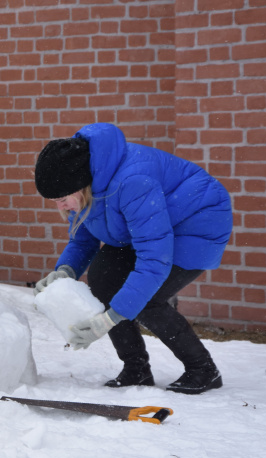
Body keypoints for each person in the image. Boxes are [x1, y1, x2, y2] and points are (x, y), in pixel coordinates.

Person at [33, 123, 232, 395]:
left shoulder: (131, 182)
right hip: (151, 225)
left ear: (82, 185)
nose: (61, 207)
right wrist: (64, 272)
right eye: (55, 200)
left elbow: (154, 260)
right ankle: (136, 369)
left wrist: (110, 318)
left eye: (63, 199)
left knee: (147, 298)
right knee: (103, 277)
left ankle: (203, 370)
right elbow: (83, 238)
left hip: (196, 223)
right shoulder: (84, 181)